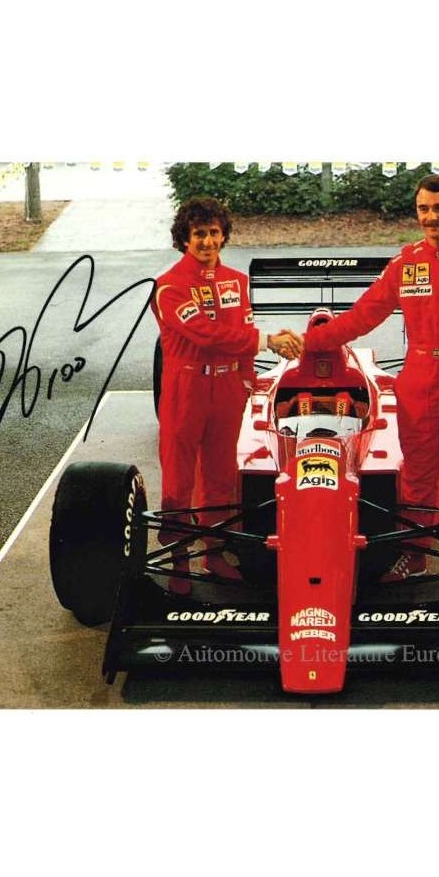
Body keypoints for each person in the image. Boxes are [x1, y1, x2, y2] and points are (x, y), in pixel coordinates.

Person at [303, 174, 439, 578]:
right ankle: (415, 555)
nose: (431, 217)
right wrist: (311, 341)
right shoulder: (406, 263)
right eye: (424, 209)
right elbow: (363, 315)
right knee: (417, 475)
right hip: (420, 377)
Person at [152, 197, 303, 591]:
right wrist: (268, 341)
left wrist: (248, 381)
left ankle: (214, 552)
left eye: (214, 233)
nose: (207, 241)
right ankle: (179, 557)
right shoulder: (169, 285)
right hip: (185, 388)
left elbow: (242, 333)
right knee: (178, 479)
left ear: (223, 236)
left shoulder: (236, 280)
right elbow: (207, 334)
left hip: (227, 389)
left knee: (220, 476)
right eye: (199, 234)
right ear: (184, 238)